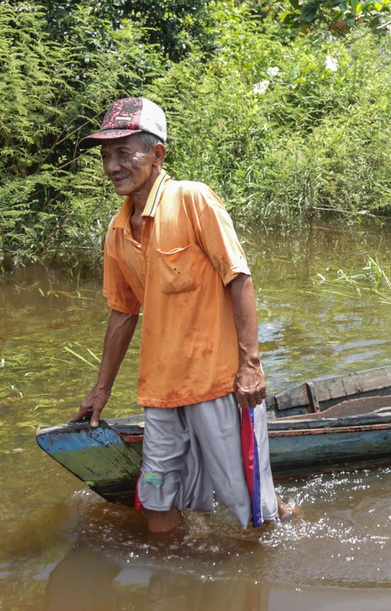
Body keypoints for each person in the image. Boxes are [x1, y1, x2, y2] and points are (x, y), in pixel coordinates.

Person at [69, 97, 285, 533]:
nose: (112, 166)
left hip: (220, 385)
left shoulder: (191, 199)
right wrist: (100, 390)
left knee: (255, 511)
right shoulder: (116, 230)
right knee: (157, 502)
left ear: (157, 155)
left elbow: (238, 279)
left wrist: (251, 366)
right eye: (106, 156)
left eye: (123, 153)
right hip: (160, 394)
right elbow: (122, 314)